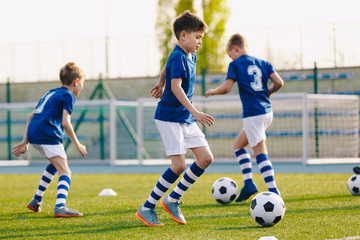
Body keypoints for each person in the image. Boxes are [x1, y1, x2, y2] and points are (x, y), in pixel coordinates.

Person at [135, 10, 214, 226]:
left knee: (206, 158)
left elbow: (166, 68)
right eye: (197, 37)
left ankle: (173, 199)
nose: (199, 42)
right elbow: (176, 87)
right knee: (178, 165)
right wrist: (195, 112)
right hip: (170, 117)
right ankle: (147, 207)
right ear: (183, 36)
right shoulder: (178, 55)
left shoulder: (189, 54)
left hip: (184, 117)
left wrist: (160, 81)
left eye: (201, 38)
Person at [205, 33, 284, 202]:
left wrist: (212, 91)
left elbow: (226, 87)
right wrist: (267, 92)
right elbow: (279, 83)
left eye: (230, 55)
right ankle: (248, 183)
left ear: (235, 48)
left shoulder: (235, 64)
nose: (230, 58)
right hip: (267, 112)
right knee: (239, 145)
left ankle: (274, 192)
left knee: (260, 151)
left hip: (253, 113)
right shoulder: (264, 63)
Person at [12, 62, 87, 217]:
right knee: (65, 171)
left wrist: (25, 142)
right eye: (82, 84)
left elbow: (31, 116)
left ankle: (36, 200)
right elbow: (66, 122)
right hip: (47, 134)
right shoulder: (68, 95)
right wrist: (77, 144)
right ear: (76, 82)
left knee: (55, 165)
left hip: (34, 133)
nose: (81, 87)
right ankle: (60, 206)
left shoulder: (50, 93)